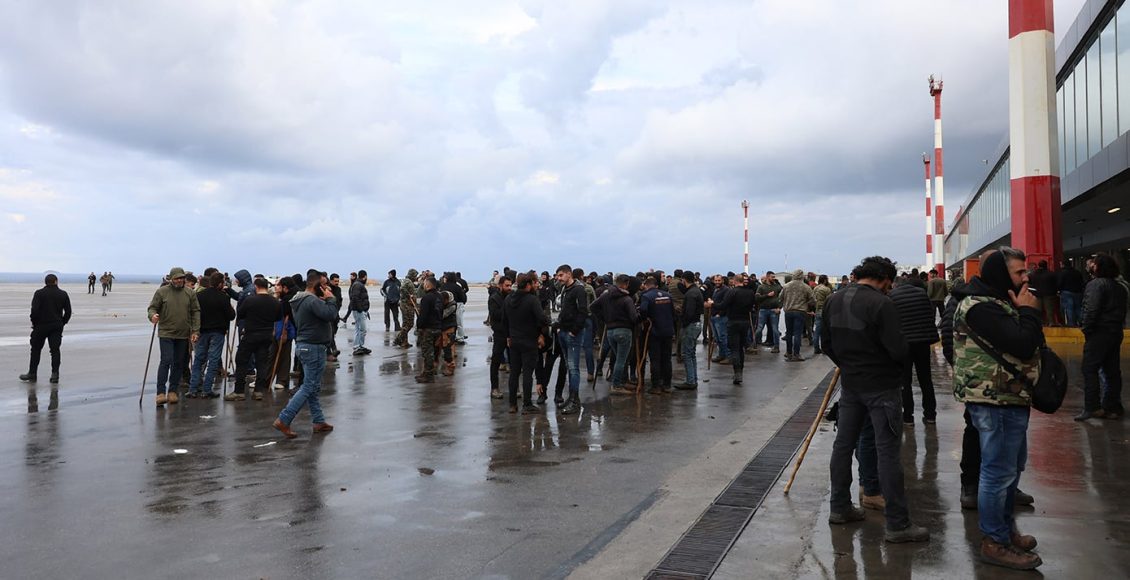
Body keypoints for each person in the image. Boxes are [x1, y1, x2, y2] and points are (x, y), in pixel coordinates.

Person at [823, 255, 928, 544]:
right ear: (884, 279)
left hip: (852, 384)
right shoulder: (882, 303)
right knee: (887, 452)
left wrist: (846, 363)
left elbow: (825, 343)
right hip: (881, 387)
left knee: (843, 446)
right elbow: (898, 349)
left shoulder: (834, 300)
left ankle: (839, 506)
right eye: (888, 283)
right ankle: (897, 523)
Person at [951, 247, 1043, 569]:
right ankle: (994, 541)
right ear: (1000, 274)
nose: (1026, 277)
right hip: (996, 399)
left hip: (1010, 397)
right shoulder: (982, 307)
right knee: (998, 473)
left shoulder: (998, 301)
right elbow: (1022, 343)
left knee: (1010, 470)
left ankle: (1004, 531)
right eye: (1019, 272)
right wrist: (1029, 313)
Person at [273, 270, 339, 438]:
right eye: (324, 285)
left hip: (304, 346)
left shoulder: (300, 299)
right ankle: (284, 419)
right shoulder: (311, 300)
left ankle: (318, 421)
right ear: (316, 285)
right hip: (313, 348)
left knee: (313, 387)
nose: (326, 288)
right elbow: (331, 315)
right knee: (309, 387)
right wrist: (331, 299)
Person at [1076, 254, 1127, 421]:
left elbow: (1091, 310)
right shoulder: (1120, 287)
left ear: (1098, 267)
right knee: (1112, 370)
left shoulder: (1096, 285)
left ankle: (1093, 407)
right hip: (1115, 331)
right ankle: (1113, 406)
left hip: (1099, 332)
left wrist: (1086, 329)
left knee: (1089, 368)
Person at [146, 267, 200, 407]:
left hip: (183, 334)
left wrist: (195, 331)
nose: (180, 280)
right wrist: (153, 316)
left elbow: (195, 312)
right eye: (177, 278)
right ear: (171, 279)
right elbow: (152, 308)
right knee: (166, 360)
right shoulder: (162, 292)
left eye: (182, 278)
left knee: (178, 363)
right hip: (166, 332)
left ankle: (173, 391)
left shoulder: (190, 293)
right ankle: (160, 393)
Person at [889, 275, 940, 424]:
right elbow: (930, 314)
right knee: (926, 379)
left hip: (904, 343)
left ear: (895, 285)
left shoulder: (892, 296)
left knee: (905, 380)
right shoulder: (921, 293)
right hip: (923, 342)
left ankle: (908, 416)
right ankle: (930, 414)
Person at [226, 278, 280, 401]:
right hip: (266, 335)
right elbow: (277, 317)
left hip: (251, 334)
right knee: (262, 363)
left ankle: (239, 391)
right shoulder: (275, 302)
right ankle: (258, 391)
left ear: (256, 287)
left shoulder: (250, 300)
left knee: (241, 361)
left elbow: (240, 314)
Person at [502, 273, 548, 414]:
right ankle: (527, 404)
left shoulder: (509, 298)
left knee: (514, 373)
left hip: (514, 340)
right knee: (528, 374)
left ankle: (512, 404)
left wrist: (508, 336)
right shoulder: (532, 300)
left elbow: (504, 320)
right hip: (529, 340)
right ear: (528, 285)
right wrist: (544, 329)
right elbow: (541, 318)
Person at [187, 272, 235, 398]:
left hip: (202, 331)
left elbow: (194, 313)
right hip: (218, 332)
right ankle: (207, 389)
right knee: (213, 360)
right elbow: (231, 316)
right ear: (220, 284)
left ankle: (192, 389)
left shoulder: (199, 296)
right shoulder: (223, 297)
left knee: (198, 359)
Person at [19, 274, 72, 384]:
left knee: (35, 349)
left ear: (45, 282)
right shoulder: (63, 294)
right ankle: (55, 375)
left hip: (41, 325)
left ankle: (32, 373)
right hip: (56, 325)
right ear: (56, 281)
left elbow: (34, 311)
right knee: (55, 350)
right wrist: (62, 322)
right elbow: (68, 312)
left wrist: (34, 323)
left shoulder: (39, 293)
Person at [591, 274, 638, 396]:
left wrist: (604, 318)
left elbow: (592, 307)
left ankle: (620, 382)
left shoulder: (606, 295)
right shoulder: (627, 299)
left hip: (610, 331)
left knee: (618, 359)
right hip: (624, 330)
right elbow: (634, 318)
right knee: (621, 360)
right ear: (627, 284)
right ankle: (617, 385)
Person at [555, 264, 589, 414]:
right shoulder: (565, 289)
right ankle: (571, 398)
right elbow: (564, 309)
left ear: (569, 274)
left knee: (574, 368)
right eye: (557, 276)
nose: (558, 278)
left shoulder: (579, 289)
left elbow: (583, 311)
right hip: (563, 331)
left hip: (573, 333)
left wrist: (575, 331)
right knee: (569, 367)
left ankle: (575, 401)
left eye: (561, 275)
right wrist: (558, 325)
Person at [711, 274, 757, 385]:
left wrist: (712, 304)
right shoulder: (750, 292)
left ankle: (737, 373)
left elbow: (723, 305)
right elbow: (752, 306)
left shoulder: (732, 292)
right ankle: (740, 371)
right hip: (745, 321)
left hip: (733, 322)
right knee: (741, 348)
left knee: (735, 349)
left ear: (735, 281)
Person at [638, 276, 675, 394]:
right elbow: (673, 312)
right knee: (667, 358)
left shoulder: (646, 296)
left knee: (655, 359)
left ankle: (656, 386)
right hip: (668, 330)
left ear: (646, 285)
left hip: (654, 331)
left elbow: (643, 310)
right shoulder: (668, 295)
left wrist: (644, 319)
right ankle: (667, 384)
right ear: (656, 285)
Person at [780, 269, 816, 362]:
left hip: (788, 311)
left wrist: (787, 303)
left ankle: (788, 353)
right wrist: (806, 304)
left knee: (789, 333)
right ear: (802, 276)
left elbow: (780, 297)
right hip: (800, 311)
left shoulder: (786, 286)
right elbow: (813, 300)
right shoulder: (806, 287)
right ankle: (796, 354)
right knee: (797, 333)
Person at [488, 275, 513, 400]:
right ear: (500, 286)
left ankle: (514, 388)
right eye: (507, 285)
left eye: (510, 285)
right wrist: (508, 309)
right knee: (496, 361)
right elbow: (495, 315)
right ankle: (494, 388)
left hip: (512, 333)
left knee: (514, 362)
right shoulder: (494, 299)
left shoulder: (512, 296)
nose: (509, 288)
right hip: (500, 334)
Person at [679, 271, 705, 390]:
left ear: (684, 280)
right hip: (697, 323)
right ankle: (692, 379)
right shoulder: (696, 291)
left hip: (691, 325)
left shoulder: (690, 294)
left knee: (687, 354)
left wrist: (683, 323)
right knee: (692, 353)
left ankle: (690, 380)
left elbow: (689, 313)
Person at [415, 276, 443, 383]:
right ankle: (426, 372)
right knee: (433, 352)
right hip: (438, 326)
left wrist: (419, 326)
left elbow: (423, 315)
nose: (423, 285)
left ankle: (429, 375)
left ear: (428, 285)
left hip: (429, 328)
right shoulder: (439, 296)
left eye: (424, 283)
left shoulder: (426, 298)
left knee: (428, 352)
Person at [755, 271, 782, 353]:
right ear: (767, 277)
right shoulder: (761, 287)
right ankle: (753, 344)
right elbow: (757, 298)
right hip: (763, 310)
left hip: (774, 310)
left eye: (774, 277)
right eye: (772, 277)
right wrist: (767, 295)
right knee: (759, 328)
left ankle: (776, 346)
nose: (774, 278)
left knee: (775, 329)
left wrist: (779, 307)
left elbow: (783, 297)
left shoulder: (777, 287)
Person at [1028, 260, 1060, 326]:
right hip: (1049, 294)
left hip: (1037, 294)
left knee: (1038, 310)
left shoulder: (1033, 274)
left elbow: (1029, 283)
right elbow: (1056, 284)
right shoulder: (1051, 274)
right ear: (1046, 265)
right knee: (1049, 309)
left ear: (1038, 266)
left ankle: (1040, 323)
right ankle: (1051, 322)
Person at [348, 270, 371, 355]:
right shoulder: (358, 285)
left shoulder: (357, 284)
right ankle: (357, 346)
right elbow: (355, 298)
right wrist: (361, 309)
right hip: (359, 311)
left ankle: (359, 346)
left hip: (359, 310)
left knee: (358, 329)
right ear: (365, 276)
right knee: (362, 329)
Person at [395, 269, 419, 348]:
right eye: (415, 275)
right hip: (407, 305)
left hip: (407, 305)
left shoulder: (408, 281)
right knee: (409, 324)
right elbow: (402, 288)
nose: (416, 277)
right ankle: (398, 339)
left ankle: (404, 342)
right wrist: (409, 295)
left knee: (406, 324)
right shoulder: (407, 281)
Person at [1057, 261, 1086, 327]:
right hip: (1078, 292)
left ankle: (1071, 324)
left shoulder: (1062, 273)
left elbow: (1060, 283)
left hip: (1066, 292)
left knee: (1069, 308)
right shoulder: (1077, 272)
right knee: (1078, 308)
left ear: (1063, 265)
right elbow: (1081, 282)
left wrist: (1058, 290)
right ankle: (1082, 322)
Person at [812, 275, 833, 355]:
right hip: (825, 311)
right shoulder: (826, 289)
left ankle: (816, 348)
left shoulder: (815, 288)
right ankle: (825, 349)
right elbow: (830, 300)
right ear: (824, 280)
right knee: (825, 332)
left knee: (817, 330)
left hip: (817, 310)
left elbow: (813, 299)